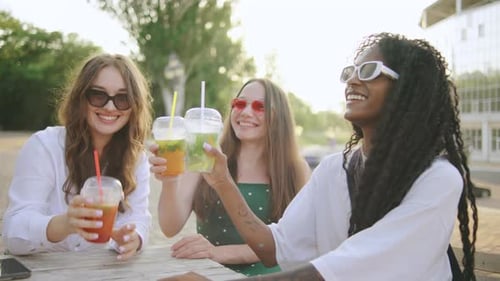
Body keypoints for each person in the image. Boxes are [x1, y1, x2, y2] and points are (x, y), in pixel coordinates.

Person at [162, 32, 479, 280]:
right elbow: (272, 247)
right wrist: (222, 181)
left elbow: (350, 268)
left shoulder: (438, 179)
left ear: (408, 88)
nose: (353, 80)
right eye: (350, 72)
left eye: (369, 71)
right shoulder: (333, 171)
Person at [149, 78, 311, 276]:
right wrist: (169, 181)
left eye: (260, 106)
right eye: (240, 103)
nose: (246, 112)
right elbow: (169, 227)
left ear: (279, 117)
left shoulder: (295, 169)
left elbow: (293, 241)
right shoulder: (204, 156)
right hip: (207, 273)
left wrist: (218, 253)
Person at [2, 54, 153, 261]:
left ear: (134, 106)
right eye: (98, 95)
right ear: (80, 98)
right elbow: (13, 233)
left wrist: (133, 238)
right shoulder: (44, 147)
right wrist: (64, 225)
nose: (110, 107)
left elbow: (139, 217)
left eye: (122, 98)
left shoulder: (137, 158)